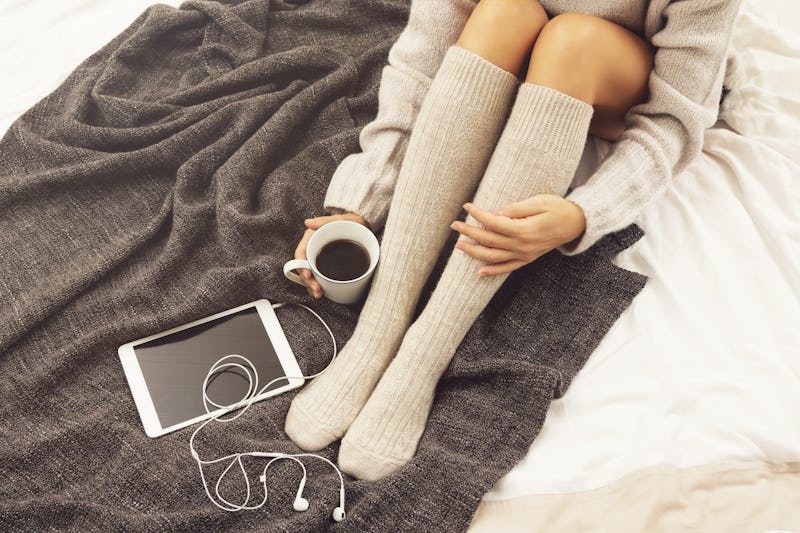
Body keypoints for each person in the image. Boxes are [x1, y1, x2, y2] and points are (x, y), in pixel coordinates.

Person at [284, 0, 742, 481]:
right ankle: (378, 331)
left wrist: (585, 213)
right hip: (515, 43)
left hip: (619, 83)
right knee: (504, 11)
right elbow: (425, 59)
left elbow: (673, 121)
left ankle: (426, 352)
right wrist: (363, 198)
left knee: (573, 40)